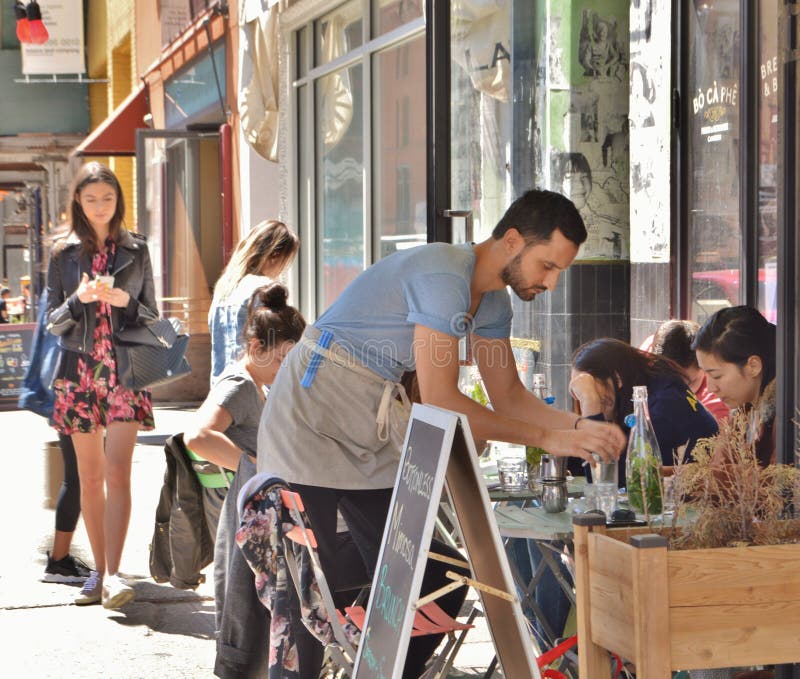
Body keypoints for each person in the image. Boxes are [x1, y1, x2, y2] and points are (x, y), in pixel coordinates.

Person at [257, 189, 626, 677]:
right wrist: (550, 439)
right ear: (512, 240)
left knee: (437, 574)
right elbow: (441, 400)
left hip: (371, 425)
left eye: (559, 271)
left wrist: (582, 428)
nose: (552, 283)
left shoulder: (493, 306)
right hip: (310, 416)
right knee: (309, 587)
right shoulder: (442, 275)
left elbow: (510, 398)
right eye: (547, 266)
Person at [46, 161, 159, 609]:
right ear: (78, 200)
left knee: (118, 473)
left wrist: (125, 300)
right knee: (90, 479)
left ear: (118, 201)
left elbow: (153, 318)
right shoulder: (62, 254)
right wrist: (80, 299)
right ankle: (98, 571)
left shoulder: (137, 250)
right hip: (78, 375)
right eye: (90, 198)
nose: (99, 206)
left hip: (126, 373)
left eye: (107, 198)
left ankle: (112, 573)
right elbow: (52, 323)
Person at [185, 282, 306, 677]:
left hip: (252, 520)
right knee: (242, 623)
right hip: (242, 521)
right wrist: (252, 464)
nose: (288, 368)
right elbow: (198, 436)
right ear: (256, 348)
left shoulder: (259, 383)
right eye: (283, 358)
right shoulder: (239, 383)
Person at [19, 287, 91, 583]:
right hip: (78, 385)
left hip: (64, 386)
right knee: (81, 478)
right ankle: (59, 562)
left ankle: (60, 559)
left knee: (77, 477)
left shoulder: (60, 277)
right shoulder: (73, 277)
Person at [570, 337, 719, 478]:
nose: (584, 397)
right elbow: (577, 465)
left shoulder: (664, 404)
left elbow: (607, 477)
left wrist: (590, 402)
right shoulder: (649, 390)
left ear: (617, 379)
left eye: (589, 386)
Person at [208, 219, 299, 384]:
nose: (282, 269)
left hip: (221, 385)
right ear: (274, 256)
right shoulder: (263, 289)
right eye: (285, 262)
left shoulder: (223, 289)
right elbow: (275, 346)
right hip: (253, 386)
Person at [693, 305, 776, 466]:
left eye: (716, 375)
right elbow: (717, 469)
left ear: (753, 366)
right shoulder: (743, 410)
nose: (710, 388)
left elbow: (779, 483)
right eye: (705, 374)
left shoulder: (788, 417)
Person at [650, 319, 729, 421]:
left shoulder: (716, 398)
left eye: (688, 384)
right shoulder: (646, 360)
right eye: (668, 381)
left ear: (704, 368)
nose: (675, 392)